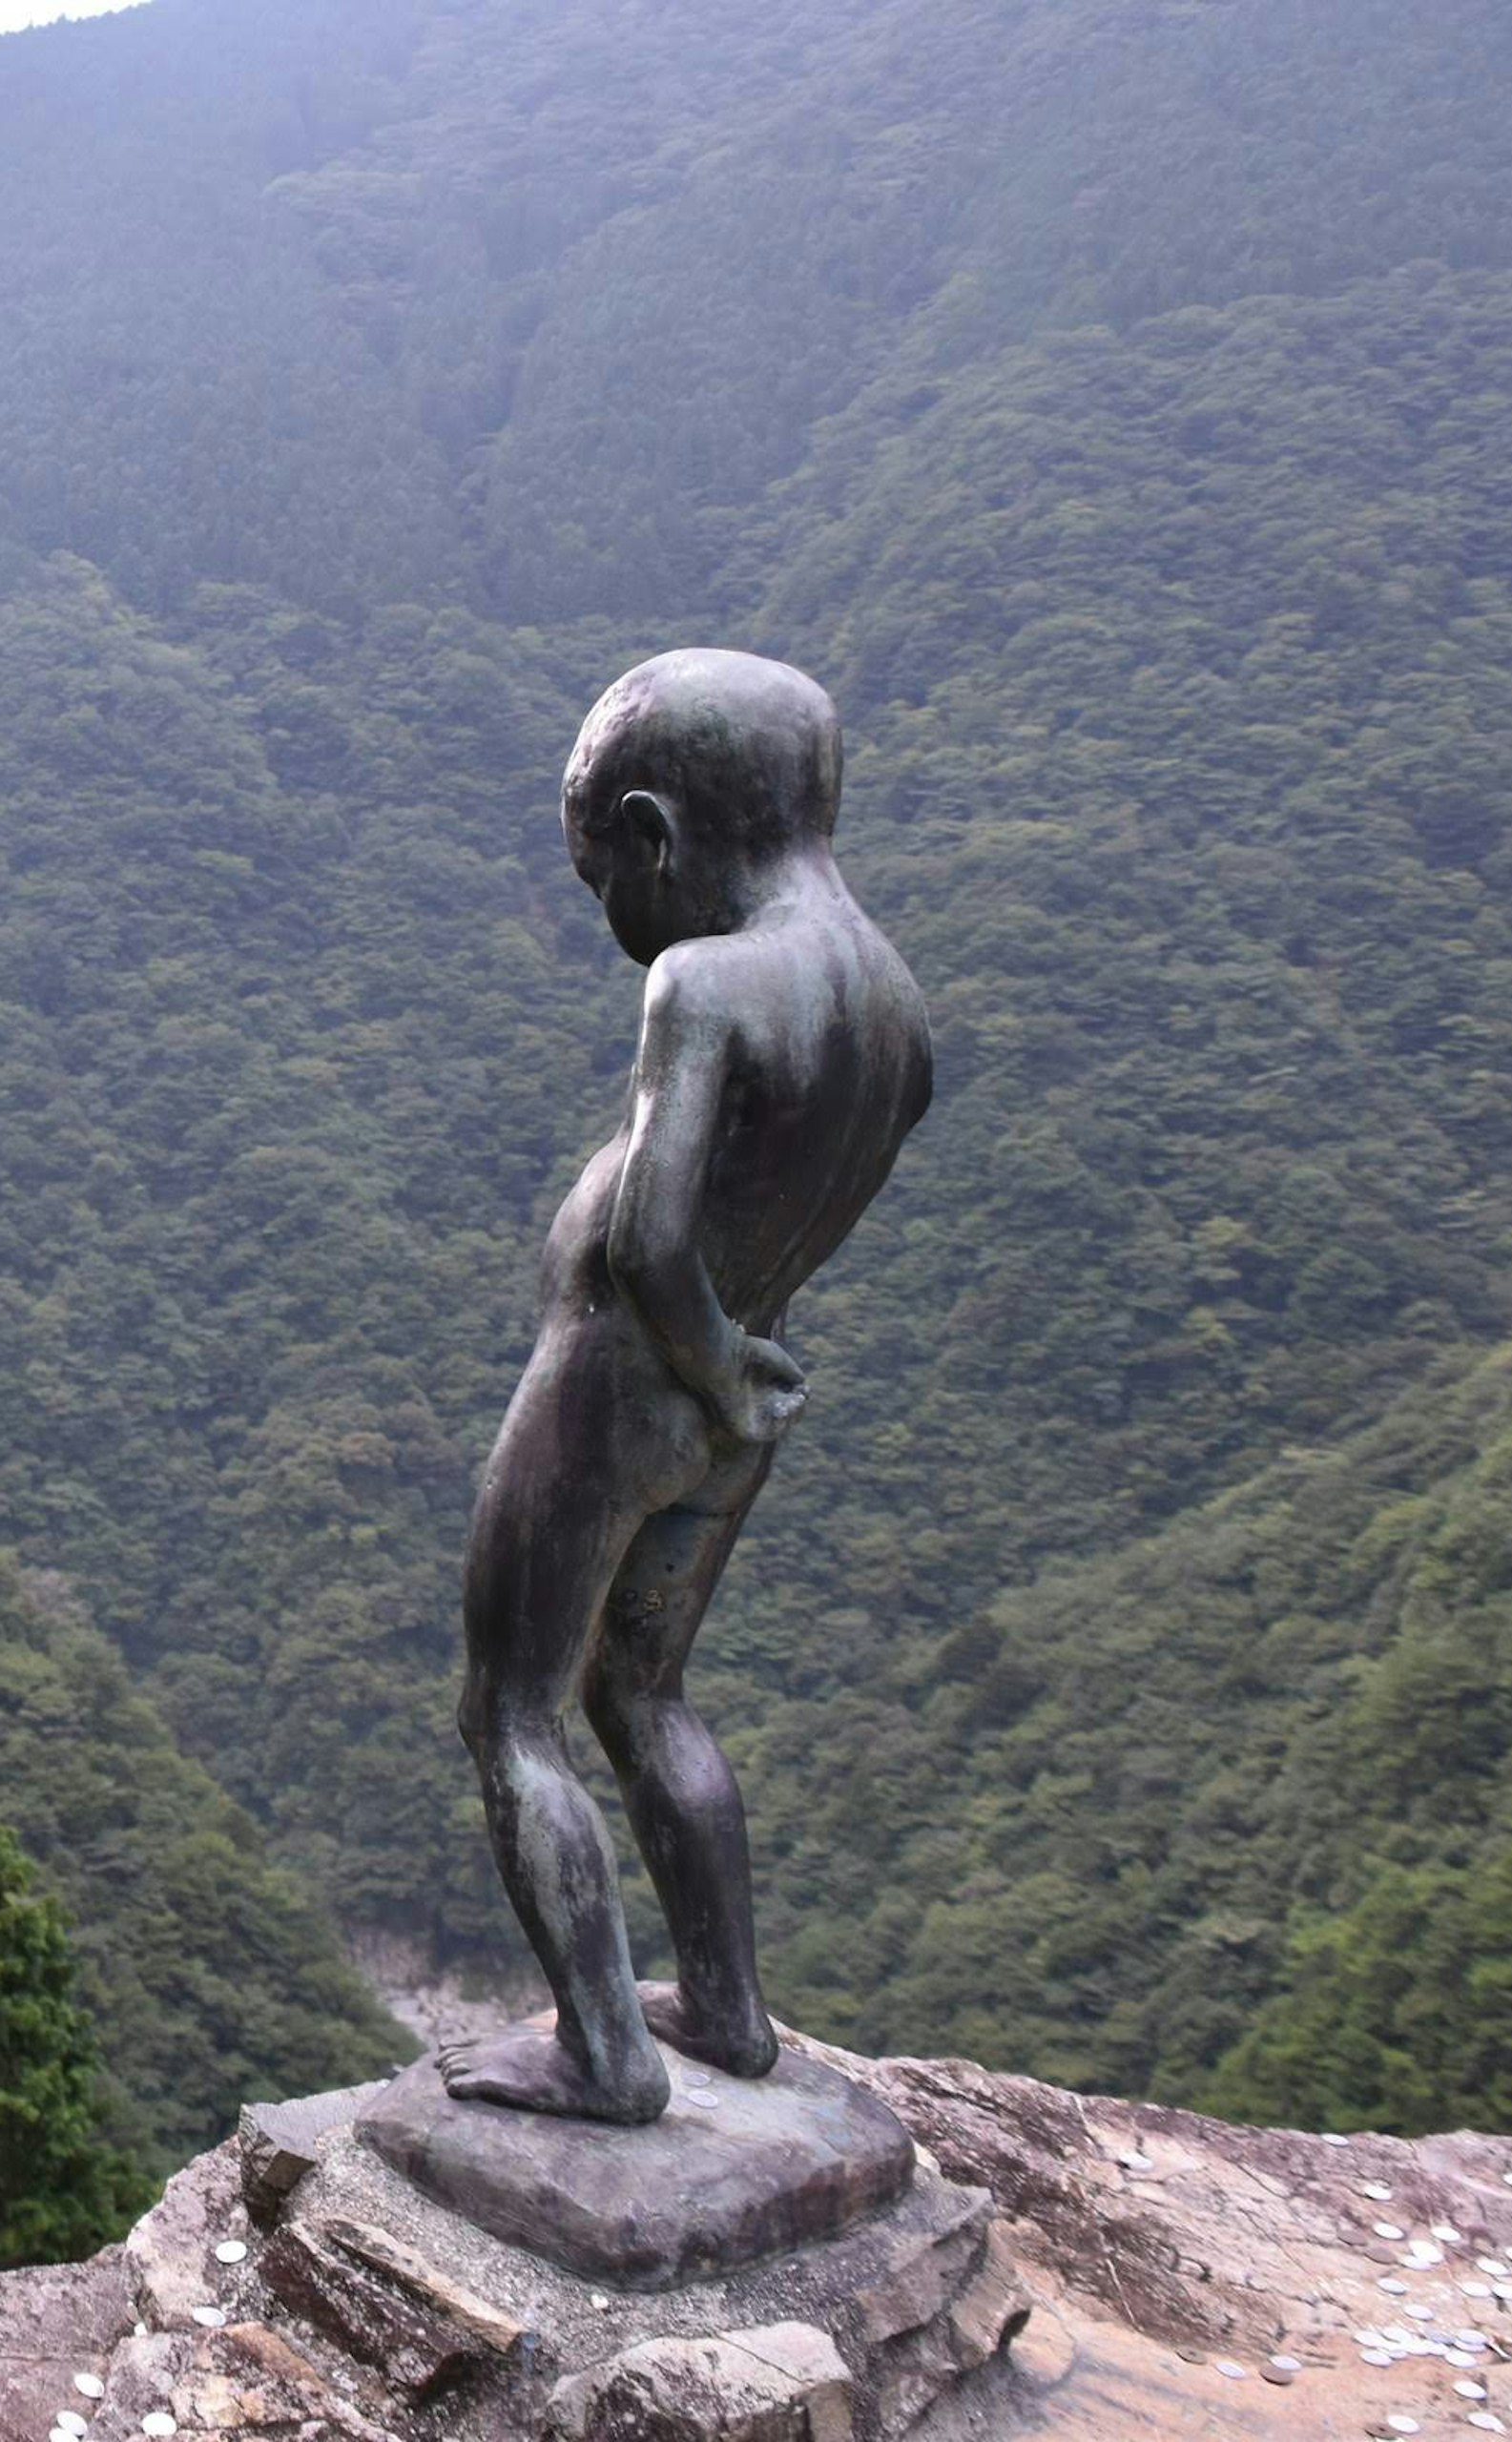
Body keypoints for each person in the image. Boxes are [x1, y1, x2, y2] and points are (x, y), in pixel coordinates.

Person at [438, 650, 933, 2123]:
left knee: (511, 1711)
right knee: (645, 1691)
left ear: (654, 836)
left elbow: (654, 1232)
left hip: (624, 1382)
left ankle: (605, 2050)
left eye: (605, 876)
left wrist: (701, 1363)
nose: (613, 916)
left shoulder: (707, 983)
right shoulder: (896, 1014)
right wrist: (737, 1386)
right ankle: (729, 2010)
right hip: (738, 1406)